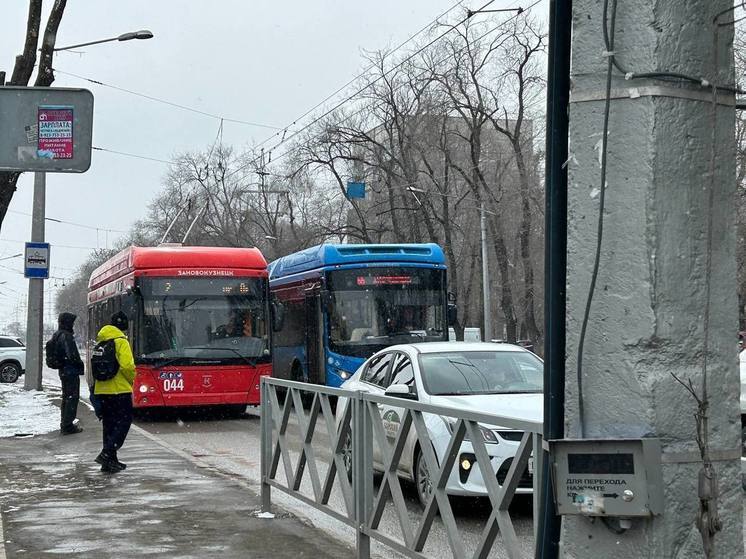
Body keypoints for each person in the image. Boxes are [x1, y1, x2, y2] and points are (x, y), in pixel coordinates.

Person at [93, 311, 136, 473]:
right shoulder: (121, 342)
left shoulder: (101, 342)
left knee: (109, 425)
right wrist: (131, 380)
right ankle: (107, 453)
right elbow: (127, 366)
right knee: (124, 422)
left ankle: (110, 462)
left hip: (102, 390)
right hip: (119, 390)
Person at [53, 312, 85, 435]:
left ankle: (65, 423)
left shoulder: (58, 334)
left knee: (67, 397)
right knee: (72, 398)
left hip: (64, 370)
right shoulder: (66, 336)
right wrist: (79, 365)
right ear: (67, 323)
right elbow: (72, 355)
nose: (73, 324)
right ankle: (67, 425)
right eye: (71, 322)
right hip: (70, 371)